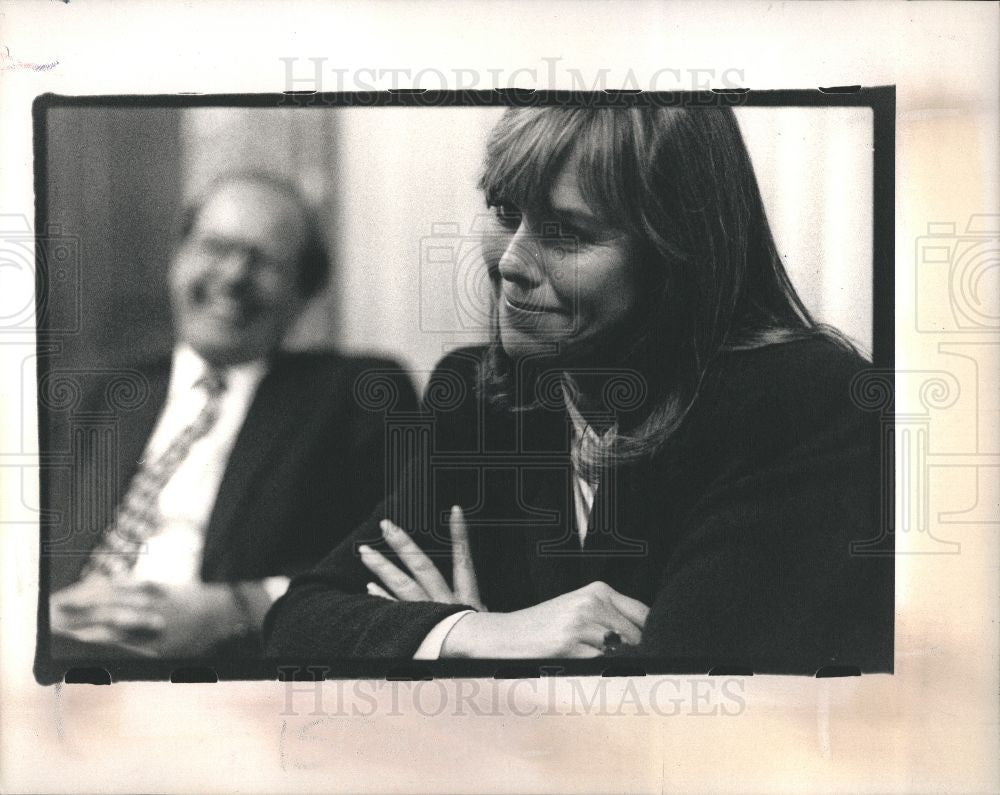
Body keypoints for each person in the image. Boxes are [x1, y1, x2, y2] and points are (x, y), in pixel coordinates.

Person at [264, 107, 893, 673]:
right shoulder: (477, 396)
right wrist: (476, 633)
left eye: (567, 232)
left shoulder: (803, 402)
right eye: (506, 211)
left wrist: (450, 662)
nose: (510, 260)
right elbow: (300, 621)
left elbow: (677, 722)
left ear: (678, 256)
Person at [43, 171, 417, 665]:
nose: (233, 276)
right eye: (215, 247)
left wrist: (235, 610)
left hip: (215, 679)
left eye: (263, 262)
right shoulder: (99, 395)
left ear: (303, 294)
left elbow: (391, 564)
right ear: (178, 259)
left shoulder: (354, 394)